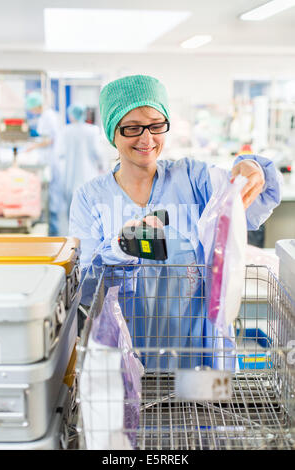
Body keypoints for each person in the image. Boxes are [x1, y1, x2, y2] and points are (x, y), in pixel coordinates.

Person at [69, 75, 281, 368]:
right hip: (124, 356)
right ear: (112, 133)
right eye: (132, 128)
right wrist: (121, 247)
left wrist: (250, 168)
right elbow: (85, 287)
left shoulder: (191, 177)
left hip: (200, 351)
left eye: (156, 126)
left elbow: (235, 189)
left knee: (210, 413)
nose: (147, 139)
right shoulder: (90, 197)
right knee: (133, 413)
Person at [55, 103, 104, 232]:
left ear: (71, 115)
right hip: (89, 174)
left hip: (69, 176)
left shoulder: (65, 130)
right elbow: (98, 153)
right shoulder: (92, 130)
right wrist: (103, 167)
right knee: (89, 211)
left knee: (71, 210)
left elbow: (59, 153)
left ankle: (73, 236)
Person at [25, 91, 61, 235]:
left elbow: (49, 139)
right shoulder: (45, 116)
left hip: (50, 160)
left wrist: (33, 146)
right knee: (47, 195)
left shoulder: (48, 117)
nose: (31, 111)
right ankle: (49, 226)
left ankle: (53, 232)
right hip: (47, 159)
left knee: (50, 197)